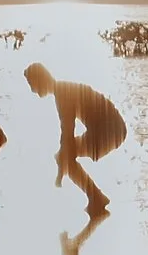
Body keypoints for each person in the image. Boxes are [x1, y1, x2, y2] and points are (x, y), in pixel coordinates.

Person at [24, 62, 128, 216]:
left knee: (64, 156)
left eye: (32, 84)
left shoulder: (63, 94)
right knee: (63, 156)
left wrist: (60, 172)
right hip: (109, 130)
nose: (32, 90)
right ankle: (97, 197)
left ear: (41, 80)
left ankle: (97, 198)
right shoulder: (62, 90)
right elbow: (67, 136)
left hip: (111, 131)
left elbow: (67, 133)